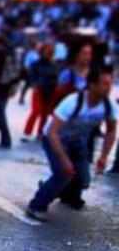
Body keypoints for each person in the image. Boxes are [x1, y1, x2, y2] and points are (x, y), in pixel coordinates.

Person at [26, 67, 117, 221]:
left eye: (110, 84)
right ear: (92, 85)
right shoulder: (73, 101)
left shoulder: (109, 106)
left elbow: (111, 130)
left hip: (77, 140)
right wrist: (64, 161)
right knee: (64, 173)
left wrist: (103, 156)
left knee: (83, 180)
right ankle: (36, 206)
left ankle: (52, 188)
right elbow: (52, 132)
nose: (109, 88)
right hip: (55, 139)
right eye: (105, 84)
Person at [21, 43, 58, 141]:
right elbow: (31, 76)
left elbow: (56, 78)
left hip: (50, 91)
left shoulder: (54, 65)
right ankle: (27, 132)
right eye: (45, 52)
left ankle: (40, 132)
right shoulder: (36, 64)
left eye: (48, 52)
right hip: (38, 90)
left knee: (45, 113)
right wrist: (34, 85)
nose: (46, 54)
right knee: (36, 111)